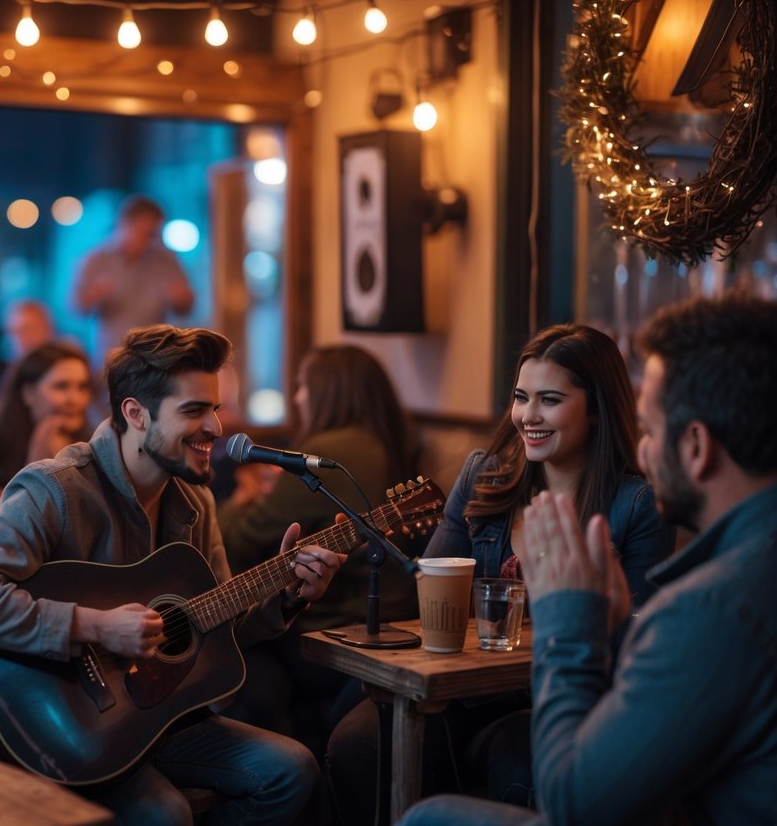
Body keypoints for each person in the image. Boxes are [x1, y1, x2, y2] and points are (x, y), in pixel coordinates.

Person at [0, 324, 346, 825]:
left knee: (293, 770)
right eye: (194, 411)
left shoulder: (195, 501)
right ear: (135, 413)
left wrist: (286, 595)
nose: (216, 428)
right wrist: (95, 626)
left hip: (155, 721)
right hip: (62, 729)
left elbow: (211, 626)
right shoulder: (56, 489)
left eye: (214, 408)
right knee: (166, 813)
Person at [400, 296, 777, 824]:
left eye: (651, 429)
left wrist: (569, 620)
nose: (643, 451)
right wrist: (618, 625)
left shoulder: (712, 607)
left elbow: (576, 804)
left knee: (429, 819)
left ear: (696, 447)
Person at [328, 323, 674, 825]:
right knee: (357, 741)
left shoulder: (635, 505)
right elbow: (432, 591)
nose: (528, 416)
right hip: (462, 693)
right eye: (520, 397)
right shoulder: (482, 476)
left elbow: (638, 641)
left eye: (550, 400)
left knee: (520, 752)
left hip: (560, 695)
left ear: (596, 409)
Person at [219, 345, 420, 757]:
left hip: (332, 628)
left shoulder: (326, 455)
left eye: (303, 387)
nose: (296, 398)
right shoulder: (386, 444)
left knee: (232, 647)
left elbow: (240, 539)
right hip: (395, 616)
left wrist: (241, 499)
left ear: (329, 392)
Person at [0, 341, 93, 513]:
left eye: (83, 387)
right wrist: (38, 463)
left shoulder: (96, 447)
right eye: (62, 387)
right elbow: (9, 519)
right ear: (29, 394)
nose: (75, 399)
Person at [73, 196, 195, 368]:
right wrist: (94, 294)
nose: (150, 240)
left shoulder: (166, 259)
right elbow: (76, 308)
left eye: (154, 234)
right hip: (111, 356)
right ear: (124, 224)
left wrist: (182, 299)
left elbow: (186, 308)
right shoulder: (96, 259)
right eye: (145, 233)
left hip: (155, 356)